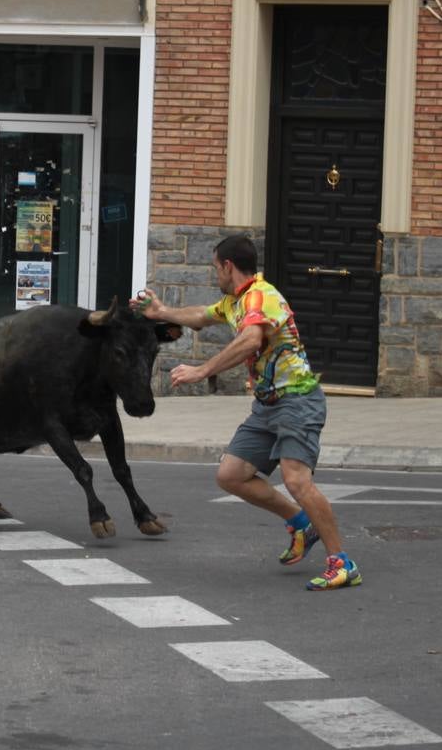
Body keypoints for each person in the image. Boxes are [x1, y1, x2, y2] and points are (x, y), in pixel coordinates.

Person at [132, 235, 361, 591]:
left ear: (227, 266)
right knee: (231, 474)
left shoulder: (261, 296)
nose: (215, 276)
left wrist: (202, 370)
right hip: (268, 405)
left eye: (215, 268)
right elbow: (201, 316)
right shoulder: (234, 301)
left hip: (298, 401)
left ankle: (342, 563)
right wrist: (161, 313)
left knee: (296, 479)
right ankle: (302, 523)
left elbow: (251, 340)